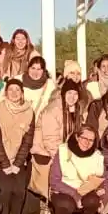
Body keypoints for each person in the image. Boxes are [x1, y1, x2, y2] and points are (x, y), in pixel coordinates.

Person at [0, 78, 36, 214]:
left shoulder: (29, 111)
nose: (14, 93)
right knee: (6, 189)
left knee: (19, 190)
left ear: (22, 93)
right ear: (6, 93)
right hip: (1, 157)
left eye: (17, 90)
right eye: (11, 90)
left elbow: (28, 139)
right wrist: (4, 163)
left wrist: (17, 162)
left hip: (19, 158)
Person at [32, 79, 84, 207]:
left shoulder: (75, 110)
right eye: (69, 93)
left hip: (65, 150)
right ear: (63, 94)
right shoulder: (53, 110)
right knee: (57, 178)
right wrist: (62, 158)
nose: (72, 97)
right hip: (46, 151)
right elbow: (50, 139)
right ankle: (51, 206)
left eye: (75, 94)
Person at [50, 124, 106, 214]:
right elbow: (54, 180)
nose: (87, 143)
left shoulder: (97, 155)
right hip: (64, 189)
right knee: (66, 203)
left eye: (91, 140)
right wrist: (75, 194)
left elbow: (101, 176)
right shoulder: (63, 150)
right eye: (84, 138)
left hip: (85, 189)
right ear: (77, 137)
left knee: (93, 200)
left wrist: (100, 188)